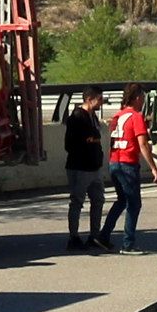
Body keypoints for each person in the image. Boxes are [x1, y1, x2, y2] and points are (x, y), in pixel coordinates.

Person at [105, 89, 151, 249]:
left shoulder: (117, 116)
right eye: (142, 97)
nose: (143, 101)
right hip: (128, 163)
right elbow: (143, 144)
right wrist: (154, 167)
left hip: (114, 162)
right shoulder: (136, 117)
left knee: (121, 200)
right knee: (134, 204)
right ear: (137, 98)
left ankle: (103, 235)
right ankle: (128, 244)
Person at [62, 93, 105, 248]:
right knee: (77, 202)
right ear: (89, 99)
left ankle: (94, 235)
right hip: (80, 167)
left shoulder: (92, 117)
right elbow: (69, 144)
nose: (101, 102)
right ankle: (73, 237)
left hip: (94, 167)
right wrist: (87, 146)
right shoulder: (76, 118)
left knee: (98, 200)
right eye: (99, 98)